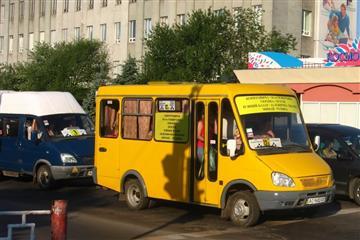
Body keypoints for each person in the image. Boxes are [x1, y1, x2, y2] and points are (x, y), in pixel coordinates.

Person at [197, 111, 205, 178]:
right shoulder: (200, 123)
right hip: (201, 147)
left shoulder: (208, 123)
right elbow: (198, 136)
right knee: (202, 164)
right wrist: (206, 140)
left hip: (207, 147)